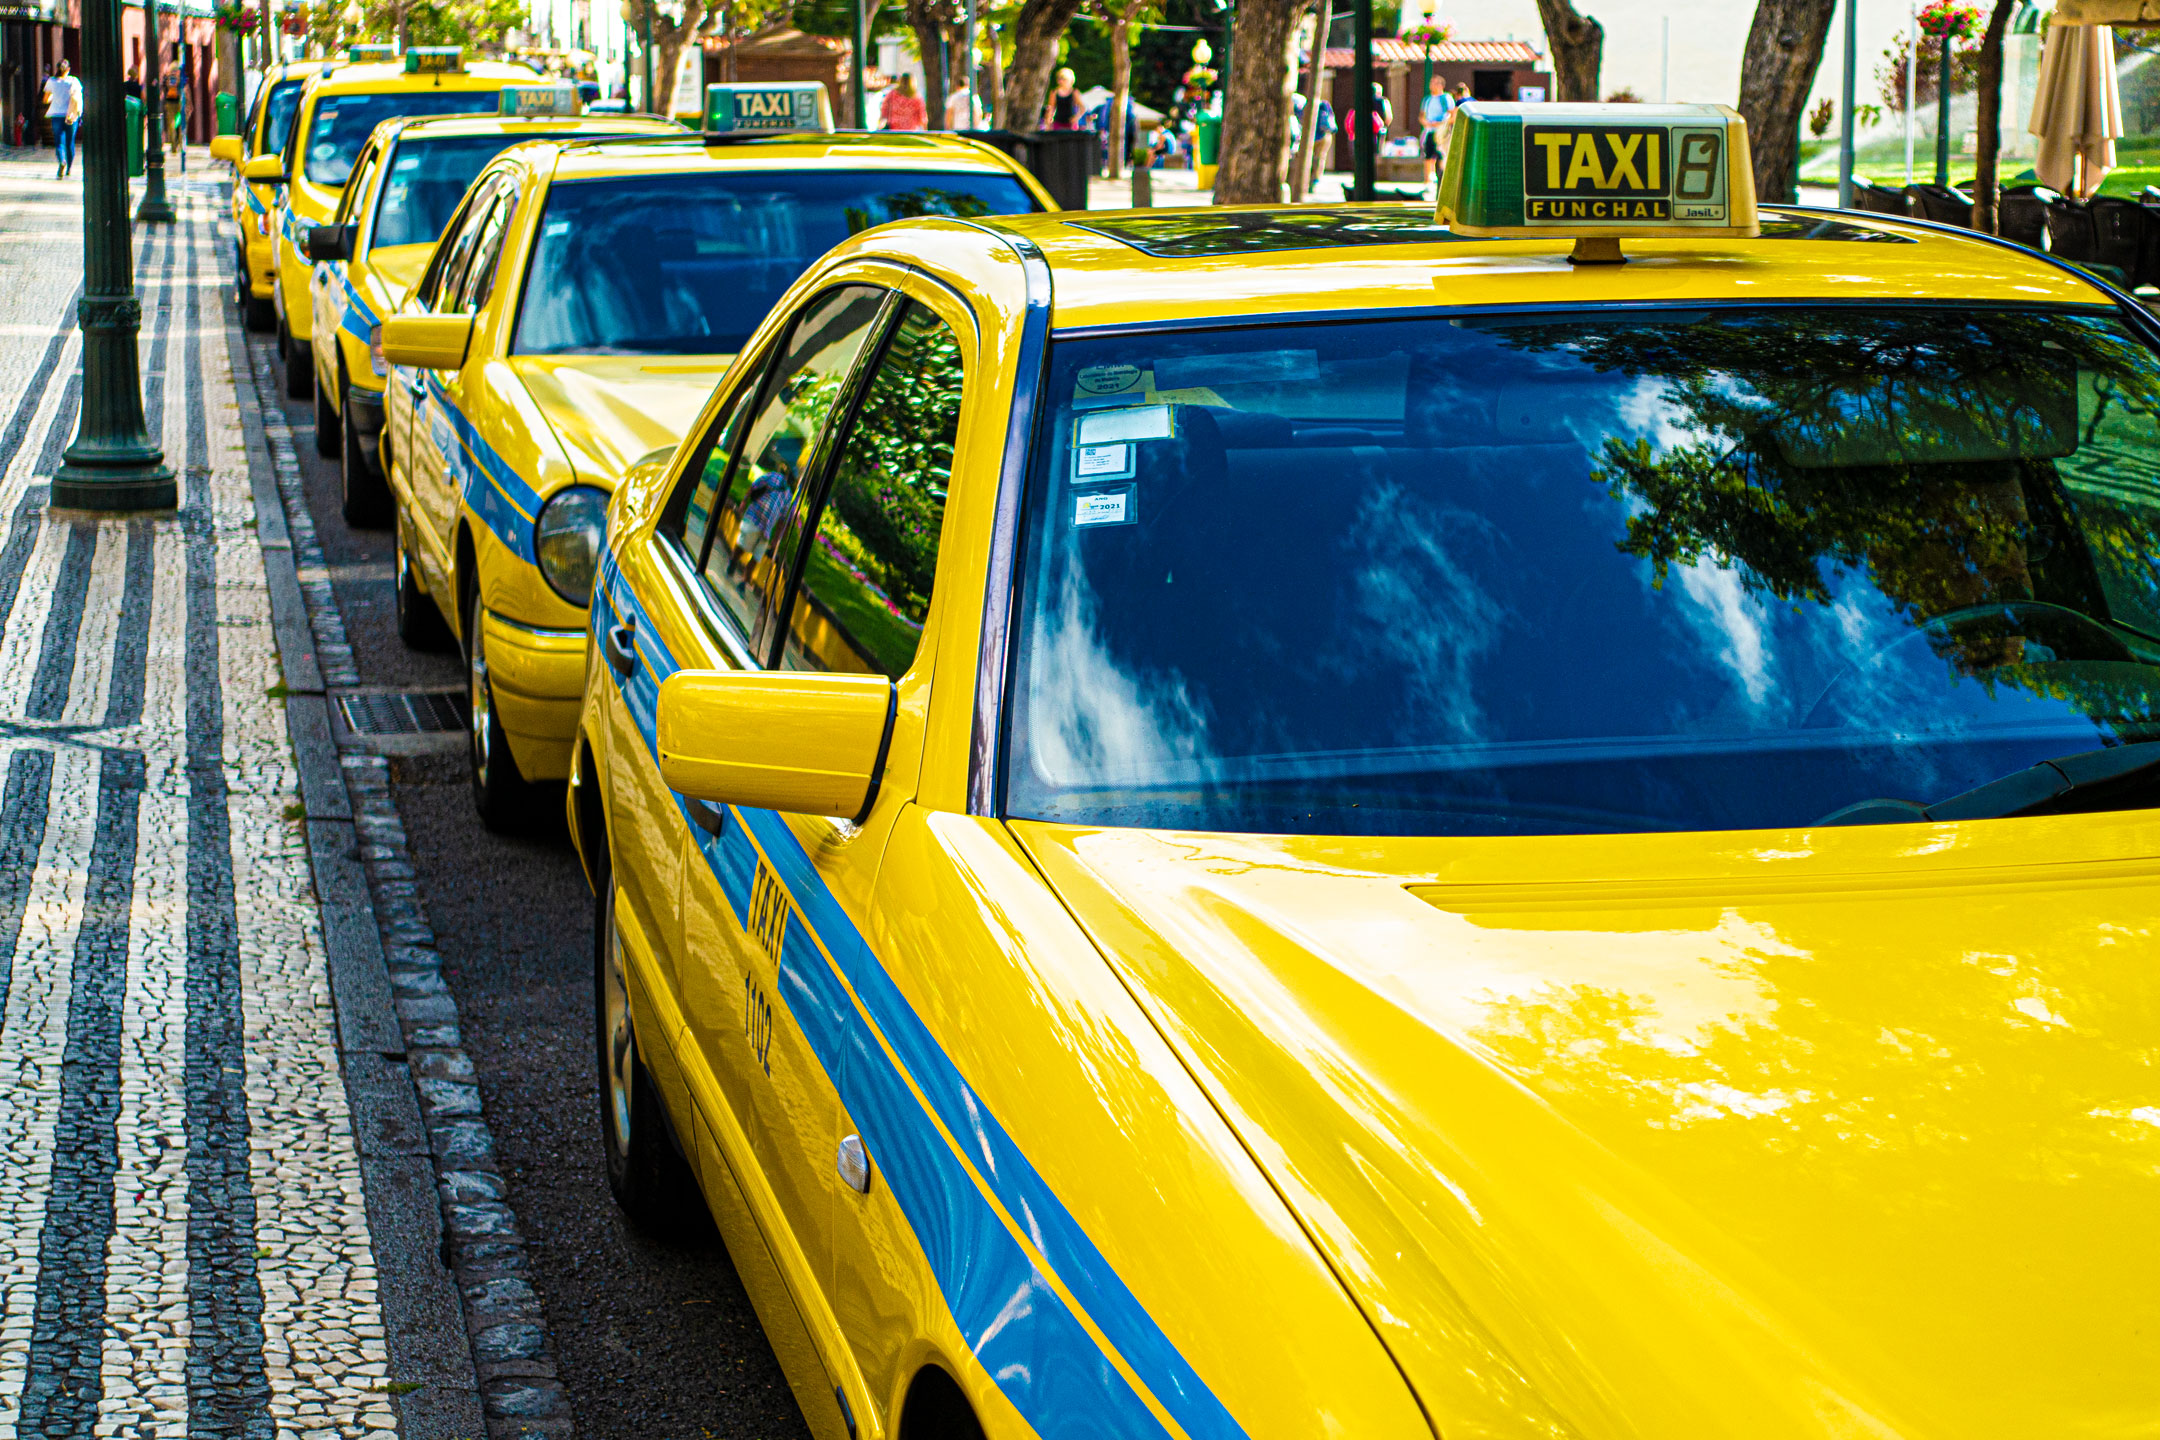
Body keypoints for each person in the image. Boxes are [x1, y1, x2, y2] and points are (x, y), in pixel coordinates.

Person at [43, 60, 80, 180]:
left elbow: (45, 99)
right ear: (68, 69)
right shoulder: (73, 81)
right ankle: (69, 168)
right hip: (70, 115)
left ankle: (62, 161)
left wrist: (54, 97)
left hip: (56, 114)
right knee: (70, 142)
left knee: (59, 142)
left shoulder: (51, 81)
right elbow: (78, 97)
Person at [1419, 76, 1453, 188]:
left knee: (1441, 156)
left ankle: (1442, 180)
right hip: (1429, 131)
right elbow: (1422, 116)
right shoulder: (1427, 99)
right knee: (1428, 155)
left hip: (1441, 132)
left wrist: (1441, 124)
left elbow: (1452, 114)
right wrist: (1427, 123)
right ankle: (1428, 181)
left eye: (1434, 83)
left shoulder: (1446, 98)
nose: (1431, 85)